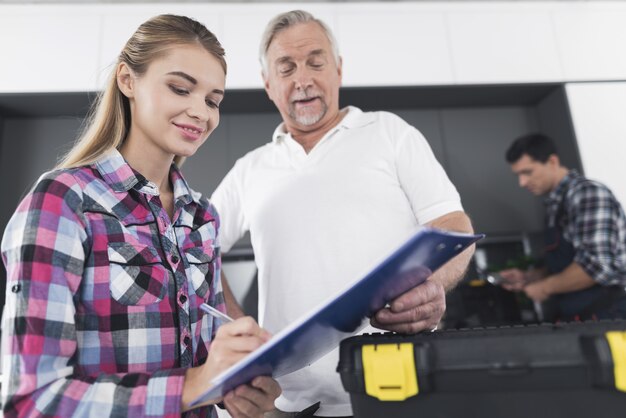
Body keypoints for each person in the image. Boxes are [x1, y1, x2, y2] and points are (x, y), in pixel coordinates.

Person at [0, 14, 280, 418]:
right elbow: (31, 400)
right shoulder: (62, 201)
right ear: (128, 80)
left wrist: (236, 386)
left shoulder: (203, 218)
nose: (200, 111)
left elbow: (208, 367)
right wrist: (191, 386)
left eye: (212, 100)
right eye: (181, 88)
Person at [210, 10, 474, 418]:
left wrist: (433, 286)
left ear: (338, 68)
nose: (303, 79)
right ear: (268, 84)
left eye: (316, 62)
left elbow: (452, 226)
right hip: (290, 403)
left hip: (401, 384)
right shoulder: (250, 169)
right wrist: (238, 332)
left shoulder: (389, 132)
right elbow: (195, 246)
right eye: (287, 68)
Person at [499, 133, 626, 322]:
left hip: (608, 317)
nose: (522, 182)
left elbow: (597, 266)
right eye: (518, 175)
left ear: (552, 161)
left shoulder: (587, 194)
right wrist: (531, 277)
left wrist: (544, 288)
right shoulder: (555, 205)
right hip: (579, 317)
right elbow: (566, 263)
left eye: (527, 172)